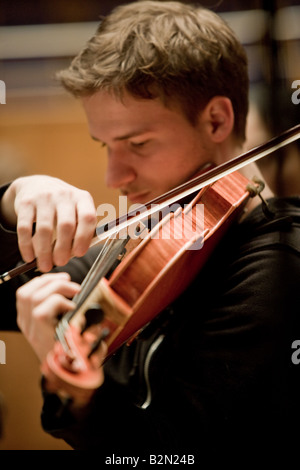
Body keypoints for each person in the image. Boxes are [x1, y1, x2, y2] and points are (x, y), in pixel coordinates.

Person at [1, 0, 300, 459]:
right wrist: (13, 197)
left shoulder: (276, 265)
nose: (113, 177)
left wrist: (80, 397)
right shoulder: (154, 234)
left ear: (217, 120)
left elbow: (176, 451)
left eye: (137, 144)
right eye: (105, 145)